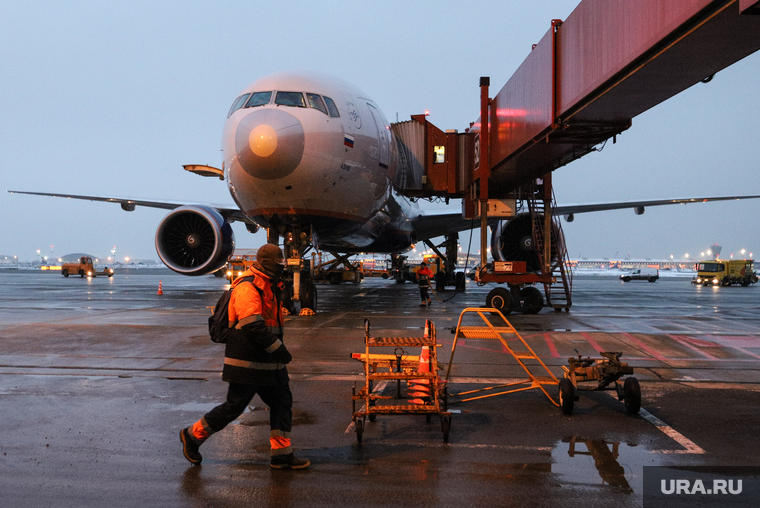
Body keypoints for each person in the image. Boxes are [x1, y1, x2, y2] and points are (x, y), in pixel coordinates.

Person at [180, 243, 310, 469]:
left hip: (268, 361)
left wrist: (275, 351)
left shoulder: (268, 284)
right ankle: (192, 436)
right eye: (279, 264)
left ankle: (281, 455)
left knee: (282, 402)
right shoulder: (248, 287)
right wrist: (277, 348)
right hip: (247, 361)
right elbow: (252, 325)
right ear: (269, 265)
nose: (282, 269)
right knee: (234, 407)